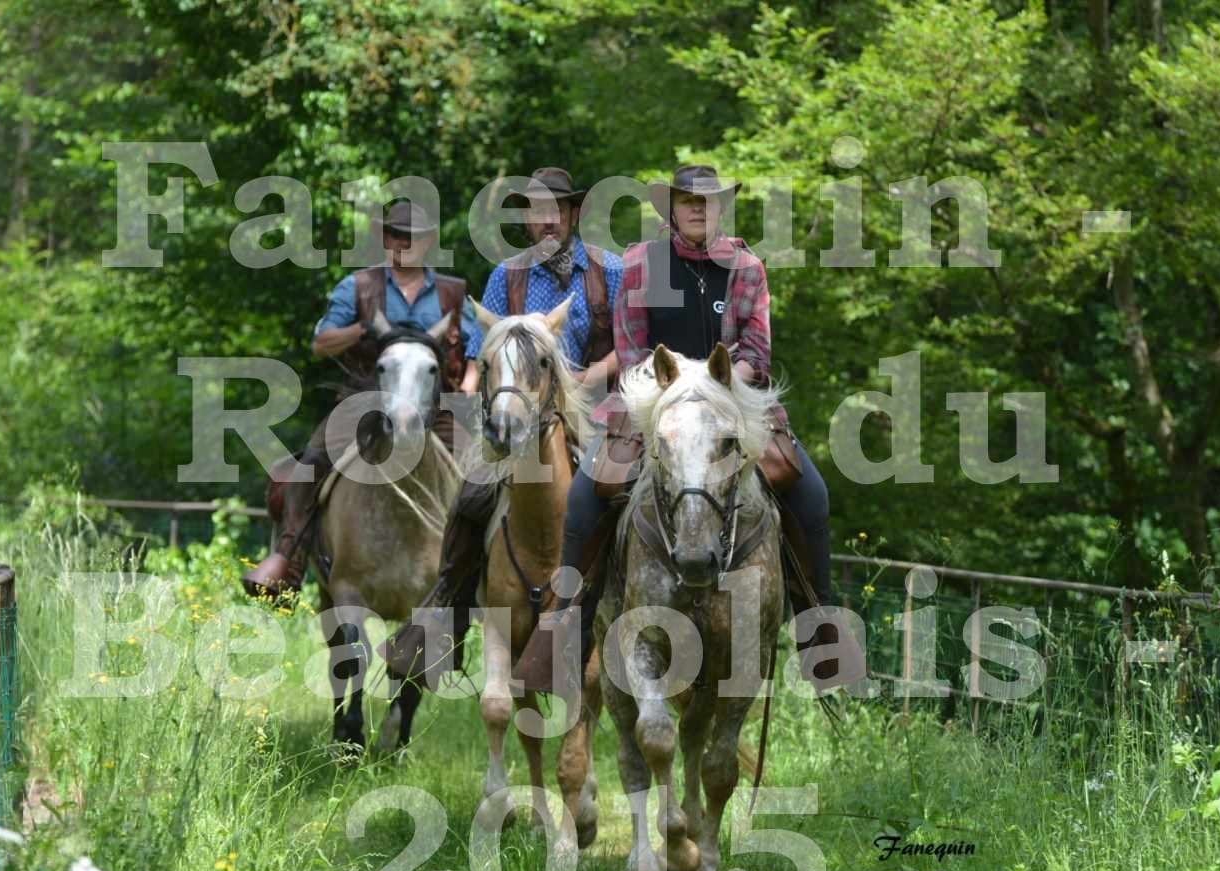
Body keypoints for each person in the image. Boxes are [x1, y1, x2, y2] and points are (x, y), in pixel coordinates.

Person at [511, 163, 866, 697]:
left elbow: (758, 355)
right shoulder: (640, 264)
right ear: (671, 207)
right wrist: (680, 390)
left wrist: (710, 387)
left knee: (810, 493)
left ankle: (818, 636)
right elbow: (633, 356)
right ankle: (568, 634)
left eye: (708, 200)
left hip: (735, 406)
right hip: (653, 409)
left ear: (720, 206)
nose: (698, 208)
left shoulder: (747, 267)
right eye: (687, 200)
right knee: (588, 496)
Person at [383, 167, 623, 679]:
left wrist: (580, 381)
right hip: (518, 420)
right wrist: (464, 411)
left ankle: (633, 612)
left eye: (556, 209)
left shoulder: (612, 271)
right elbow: (480, 359)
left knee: (628, 497)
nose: (547, 220)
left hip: (597, 413)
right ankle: (445, 613)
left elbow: (630, 347)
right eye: (536, 211)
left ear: (574, 213)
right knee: (469, 499)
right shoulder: (506, 277)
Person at [241, 200, 484, 597]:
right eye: (395, 235)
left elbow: (475, 350)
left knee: (482, 481)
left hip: (438, 405)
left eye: (412, 237)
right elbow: (321, 343)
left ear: (427, 242)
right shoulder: (356, 287)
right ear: (384, 239)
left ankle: (478, 577)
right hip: (363, 402)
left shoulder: (451, 292)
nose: (403, 243)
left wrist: (468, 391)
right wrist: (360, 329)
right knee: (307, 467)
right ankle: (288, 563)